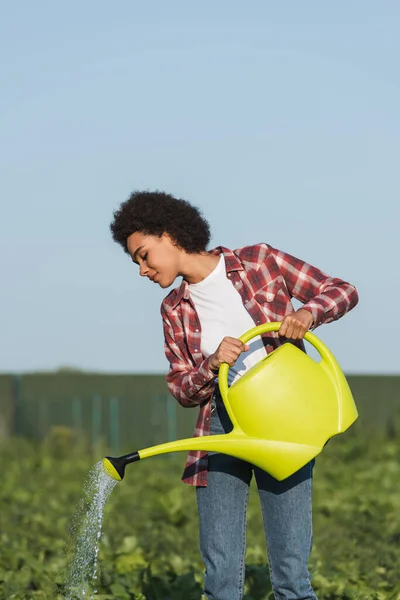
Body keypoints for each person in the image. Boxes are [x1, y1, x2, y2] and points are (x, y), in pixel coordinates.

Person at [110, 190, 359, 600]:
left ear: (170, 236)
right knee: (221, 575)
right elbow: (180, 385)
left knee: (292, 571)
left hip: (284, 418)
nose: (141, 269)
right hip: (221, 423)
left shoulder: (259, 262)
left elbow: (342, 290)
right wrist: (210, 364)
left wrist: (305, 314)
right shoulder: (173, 309)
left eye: (143, 254)